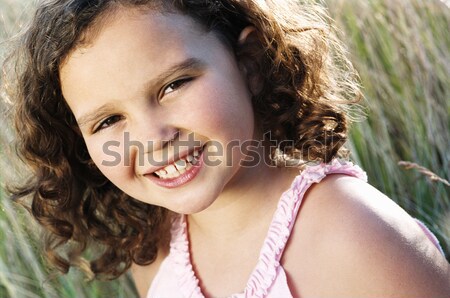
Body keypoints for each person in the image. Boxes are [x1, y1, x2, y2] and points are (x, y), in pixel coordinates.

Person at [4, 0, 449, 297]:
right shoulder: (158, 250)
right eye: (108, 120)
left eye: (174, 84)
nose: (153, 138)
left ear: (249, 64)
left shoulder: (355, 236)